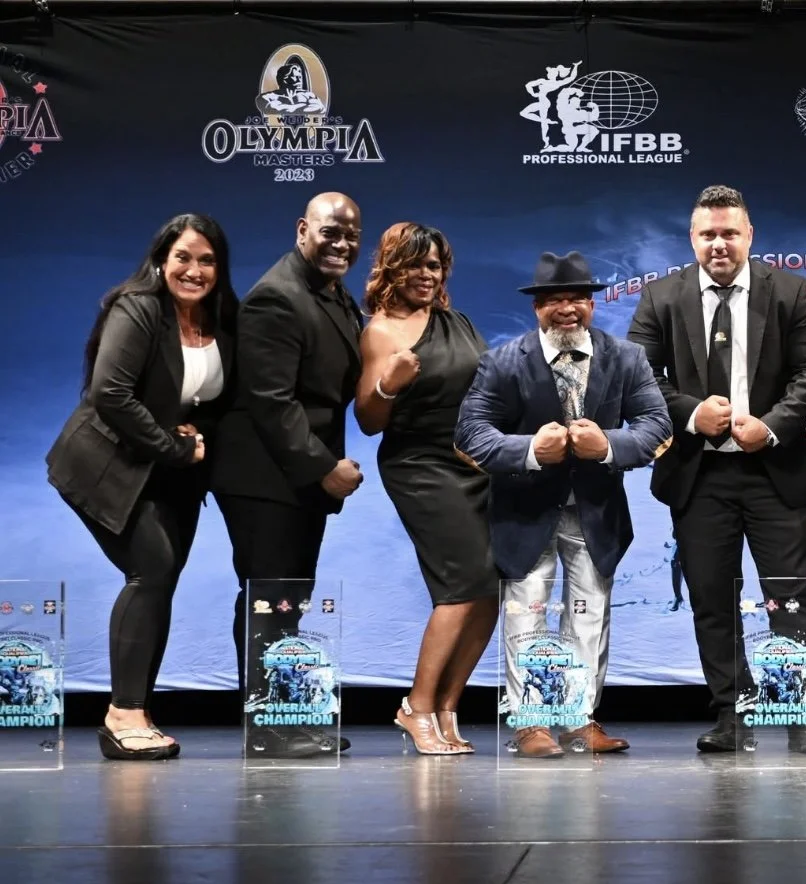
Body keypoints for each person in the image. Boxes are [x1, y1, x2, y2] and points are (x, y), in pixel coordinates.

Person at [627, 185, 806, 754]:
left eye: (729, 233)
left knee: (792, 597)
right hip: (699, 477)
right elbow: (640, 377)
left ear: (750, 236)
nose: (719, 243)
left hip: (776, 470)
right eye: (707, 234)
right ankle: (732, 715)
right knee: (712, 601)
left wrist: (769, 426)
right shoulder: (662, 296)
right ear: (692, 238)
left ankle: (801, 712)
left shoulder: (791, 291)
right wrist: (693, 414)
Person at [455, 250, 672, 758]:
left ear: (593, 305)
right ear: (537, 308)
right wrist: (530, 449)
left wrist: (610, 446)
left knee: (589, 614)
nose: (567, 308)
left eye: (577, 298)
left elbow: (656, 425)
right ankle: (531, 723)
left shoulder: (627, 358)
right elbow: (470, 432)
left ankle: (579, 719)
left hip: (595, 512)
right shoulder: (504, 361)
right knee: (526, 612)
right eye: (555, 300)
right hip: (526, 511)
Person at [47, 213, 236, 761]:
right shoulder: (139, 307)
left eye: (206, 260)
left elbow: (224, 396)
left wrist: (200, 437)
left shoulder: (223, 318)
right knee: (150, 569)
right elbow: (110, 392)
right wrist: (177, 446)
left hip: (173, 473)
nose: (194, 270)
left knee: (162, 579)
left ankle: (138, 710)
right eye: (183, 257)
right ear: (161, 260)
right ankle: (122, 714)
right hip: (109, 462)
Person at [209, 192, 364, 757]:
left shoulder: (332, 294)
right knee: (268, 597)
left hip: (293, 476)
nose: (342, 243)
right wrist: (323, 468)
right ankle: (266, 728)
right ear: (303, 229)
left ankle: (286, 716)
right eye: (331, 231)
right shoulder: (278, 297)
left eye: (351, 234)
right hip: (263, 477)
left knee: (287, 601)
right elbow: (271, 401)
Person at [354, 222, 498, 756]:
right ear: (392, 267)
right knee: (461, 584)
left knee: (490, 590)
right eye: (414, 263)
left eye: (433, 264)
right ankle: (415, 707)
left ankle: (446, 705)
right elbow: (369, 419)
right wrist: (389, 383)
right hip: (420, 466)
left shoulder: (454, 320)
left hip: (474, 464)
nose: (425, 273)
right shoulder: (380, 332)